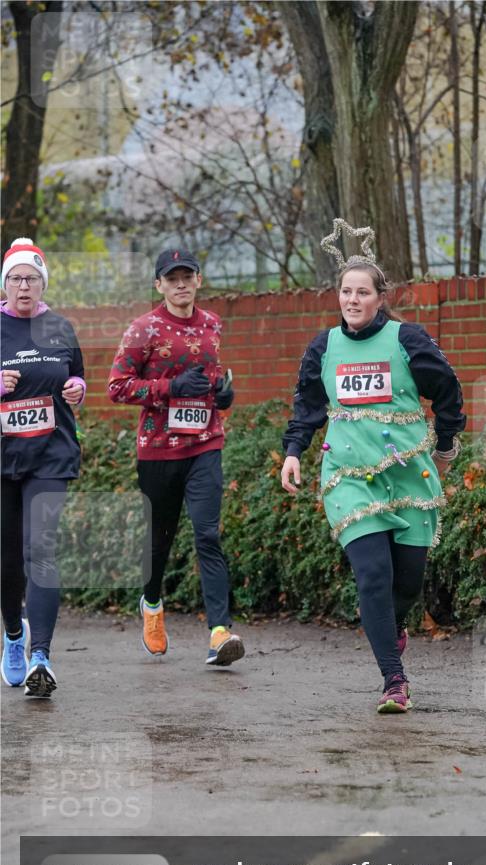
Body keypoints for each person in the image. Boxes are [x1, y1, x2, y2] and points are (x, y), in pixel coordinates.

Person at [281, 220, 466, 714]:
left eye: (362, 292)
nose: (352, 300)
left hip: (409, 475)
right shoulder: (324, 348)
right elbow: (307, 406)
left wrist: (446, 445)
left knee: (407, 581)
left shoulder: (409, 340)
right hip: (348, 476)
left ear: (380, 297)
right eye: (345, 291)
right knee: (372, 575)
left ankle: (396, 625)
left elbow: (446, 388)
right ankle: (394, 680)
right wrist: (294, 451)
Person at [108, 248, 244, 667]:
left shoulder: (213, 324)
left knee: (208, 535)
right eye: (172, 278)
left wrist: (223, 395)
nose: (181, 284)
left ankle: (219, 632)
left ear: (199, 281)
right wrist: (168, 388)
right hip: (158, 450)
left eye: (188, 276)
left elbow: (214, 377)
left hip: (206, 442)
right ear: (159, 285)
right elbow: (117, 387)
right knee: (160, 540)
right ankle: (151, 604)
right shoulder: (142, 330)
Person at [1, 237, 86, 697]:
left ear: (43, 282)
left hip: (50, 456)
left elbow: (76, 375)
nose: (24, 286)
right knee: (7, 560)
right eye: (15, 278)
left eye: (32, 278)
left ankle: (41, 656)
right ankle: (14, 635)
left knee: (42, 551)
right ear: (5, 285)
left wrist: (75, 387)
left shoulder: (60, 327)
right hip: (2, 459)